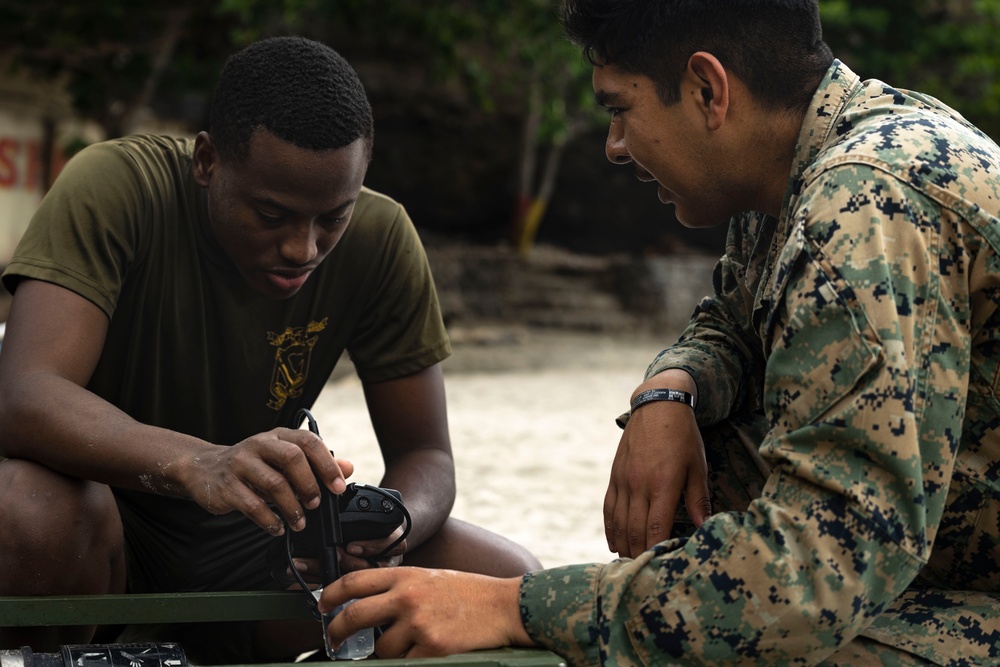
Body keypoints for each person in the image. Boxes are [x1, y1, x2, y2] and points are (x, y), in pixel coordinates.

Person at [319, 1, 1000, 664]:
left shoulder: (864, 201)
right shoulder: (802, 164)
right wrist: (672, 390)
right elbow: (732, 320)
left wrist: (516, 607)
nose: (614, 146)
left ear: (708, 89)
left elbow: (813, 571)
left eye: (620, 108)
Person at [0, 35, 540, 664]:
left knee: (505, 580)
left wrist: (386, 528)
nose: (302, 248)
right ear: (207, 162)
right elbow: (24, 396)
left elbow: (425, 455)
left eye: (332, 218)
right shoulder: (118, 187)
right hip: (105, 529)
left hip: (264, 546)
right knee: (27, 508)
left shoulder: (382, 236)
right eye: (271, 214)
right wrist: (204, 465)